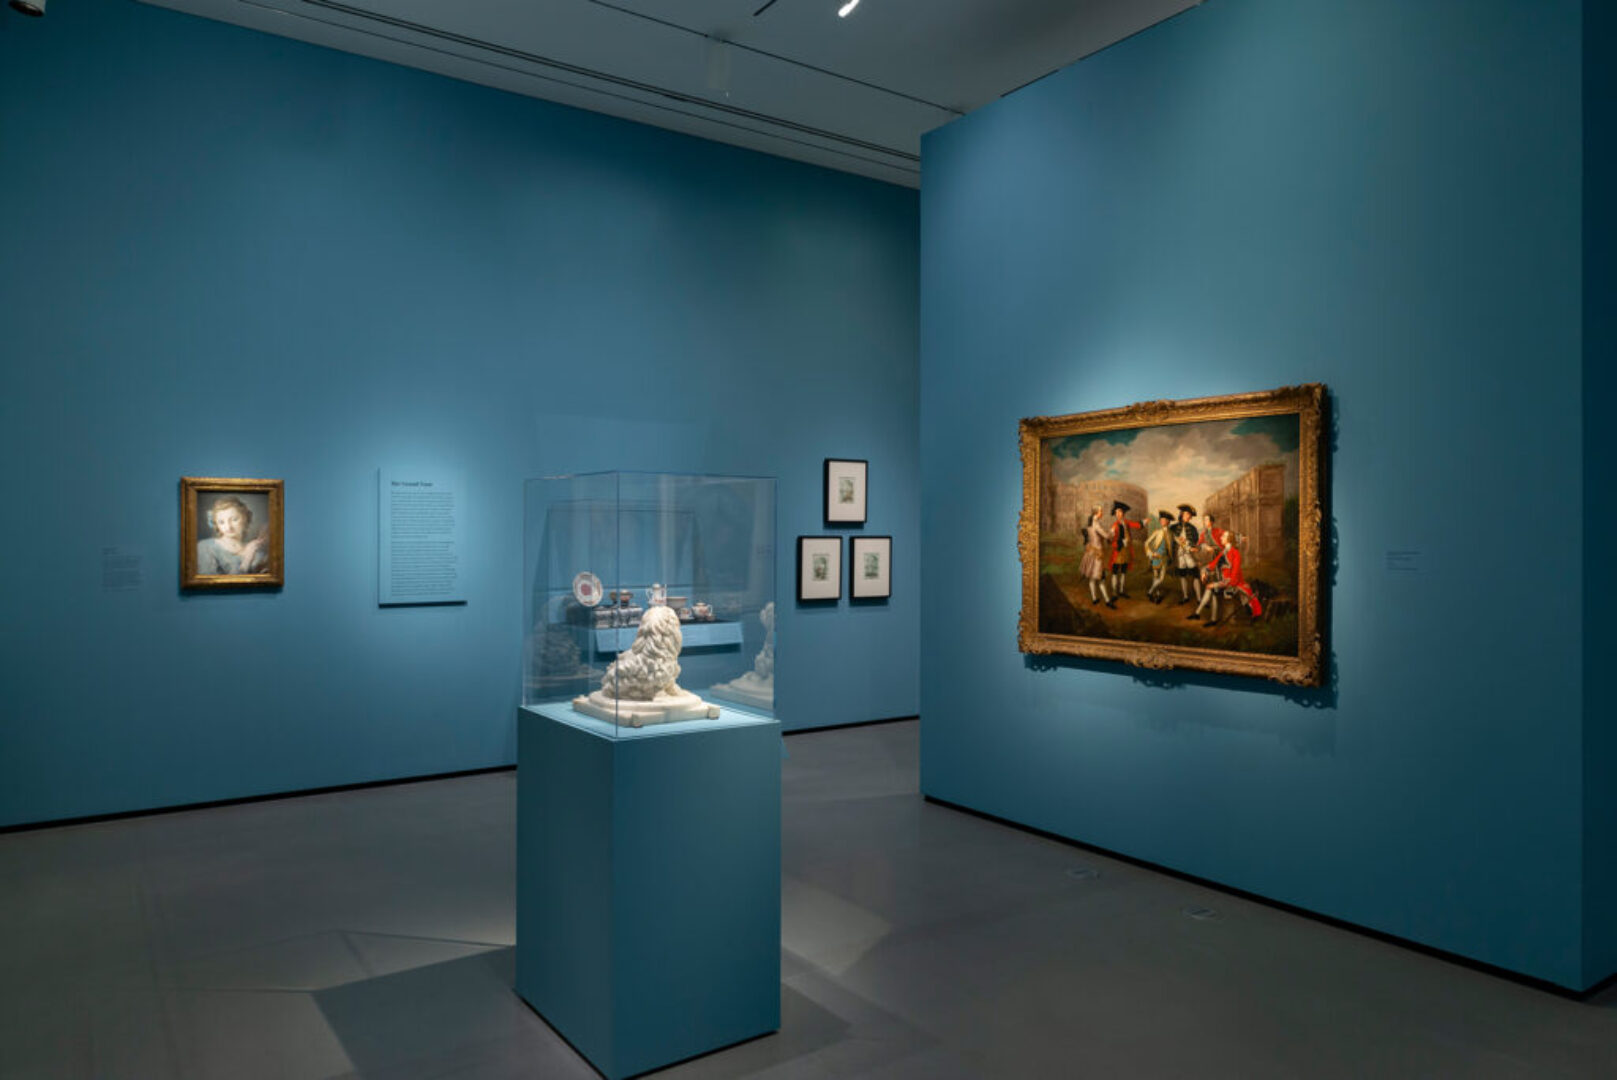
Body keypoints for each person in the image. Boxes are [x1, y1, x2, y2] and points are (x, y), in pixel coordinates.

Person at [196, 495, 268, 575]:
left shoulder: (257, 552)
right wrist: (247, 559)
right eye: (221, 522)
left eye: (234, 519)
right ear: (216, 524)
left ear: (245, 519)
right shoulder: (205, 547)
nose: (228, 527)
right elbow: (211, 581)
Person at [1077, 506, 1116, 609]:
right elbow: (1106, 536)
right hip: (1097, 554)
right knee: (1101, 578)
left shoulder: (1090, 523)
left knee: (1092, 577)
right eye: (1100, 511)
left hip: (1091, 552)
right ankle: (1107, 601)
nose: (1102, 512)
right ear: (1096, 513)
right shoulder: (1096, 524)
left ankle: (1094, 599)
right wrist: (1112, 531)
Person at [1167, 504, 1202, 605]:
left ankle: (1199, 598)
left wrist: (1189, 543)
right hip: (1178, 555)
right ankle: (1185, 597)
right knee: (1182, 576)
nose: (1188, 516)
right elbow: (1169, 540)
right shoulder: (1173, 527)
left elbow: (1196, 541)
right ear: (1182, 514)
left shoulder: (1193, 528)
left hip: (1189, 554)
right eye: (1186, 514)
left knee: (1196, 575)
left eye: (1189, 515)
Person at [1109, 500, 1142, 598]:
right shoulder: (1114, 525)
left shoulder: (1126, 522)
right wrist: (1120, 542)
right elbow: (1111, 540)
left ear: (1123, 513)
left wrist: (1144, 521)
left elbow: (1137, 525)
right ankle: (1114, 592)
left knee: (1124, 571)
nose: (1117, 514)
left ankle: (1121, 590)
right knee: (1115, 572)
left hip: (1126, 551)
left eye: (1119, 512)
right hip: (1118, 551)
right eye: (1116, 512)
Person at [1145, 509, 1174, 603]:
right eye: (1161, 519)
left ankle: (1150, 591)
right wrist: (1150, 553)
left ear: (1168, 521)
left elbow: (1177, 542)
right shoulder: (1157, 532)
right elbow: (1146, 543)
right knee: (1156, 577)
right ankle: (1157, 595)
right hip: (1156, 557)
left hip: (1165, 558)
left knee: (1161, 579)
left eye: (1164, 520)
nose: (1161, 521)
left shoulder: (1171, 533)